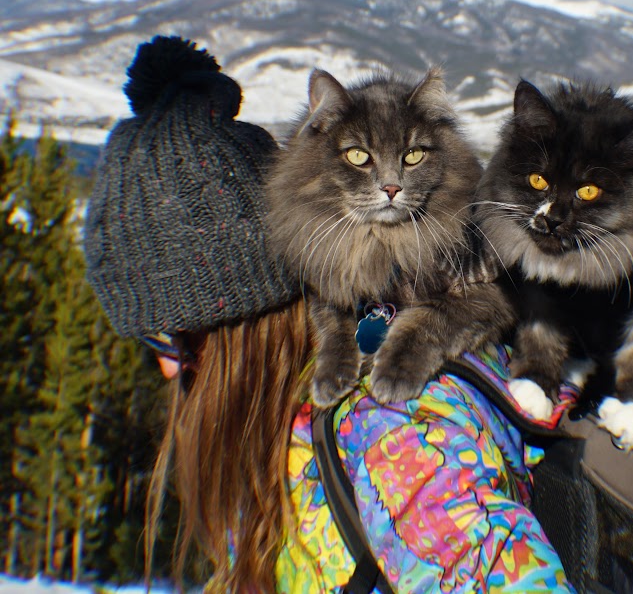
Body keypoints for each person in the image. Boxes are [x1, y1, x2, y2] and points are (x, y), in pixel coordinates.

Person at [84, 35, 578, 593]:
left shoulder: (393, 433)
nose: (169, 368)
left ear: (233, 316)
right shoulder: (284, 417)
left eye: (173, 339)